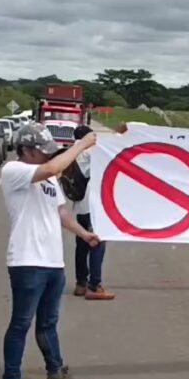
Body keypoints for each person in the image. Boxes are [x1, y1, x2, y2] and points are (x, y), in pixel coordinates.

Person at [0, 124, 100, 379]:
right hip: (26, 260)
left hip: (53, 262)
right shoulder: (14, 171)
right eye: (42, 151)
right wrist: (81, 146)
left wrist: (84, 234)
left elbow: (62, 213)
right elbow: (49, 169)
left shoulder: (50, 180)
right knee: (20, 323)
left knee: (48, 323)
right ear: (27, 150)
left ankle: (55, 373)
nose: (47, 156)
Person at [70, 125, 114, 301]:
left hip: (81, 206)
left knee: (82, 246)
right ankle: (95, 285)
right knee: (97, 244)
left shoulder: (74, 152)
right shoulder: (89, 151)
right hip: (92, 206)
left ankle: (81, 283)